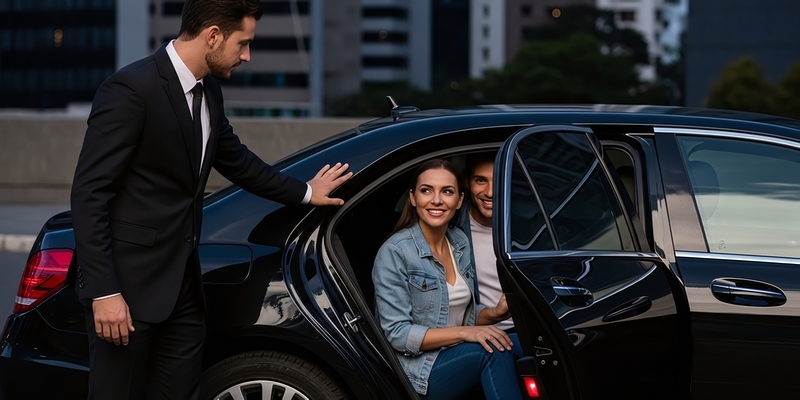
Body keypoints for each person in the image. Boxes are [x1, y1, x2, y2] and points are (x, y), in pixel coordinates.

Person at [70, 1, 351, 398]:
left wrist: (305, 191)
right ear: (214, 35)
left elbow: (237, 160)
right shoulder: (132, 89)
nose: (247, 55)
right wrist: (105, 293)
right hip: (127, 294)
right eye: (243, 43)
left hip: (183, 292)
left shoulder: (209, 91)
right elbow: (89, 194)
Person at [372, 159, 522, 399]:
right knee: (494, 351)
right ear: (413, 198)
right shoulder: (395, 252)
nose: (437, 200)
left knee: (533, 343)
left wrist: (494, 314)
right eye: (426, 190)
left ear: (459, 200)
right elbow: (398, 333)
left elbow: (461, 312)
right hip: (420, 369)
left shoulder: (459, 242)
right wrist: (465, 333)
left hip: (459, 351)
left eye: (447, 192)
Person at [456, 153, 514, 331]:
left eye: (498, 179)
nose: (490, 192)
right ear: (467, 183)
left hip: (534, 330)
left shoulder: (534, 224)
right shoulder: (450, 230)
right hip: (479, 334)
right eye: (480, 180)